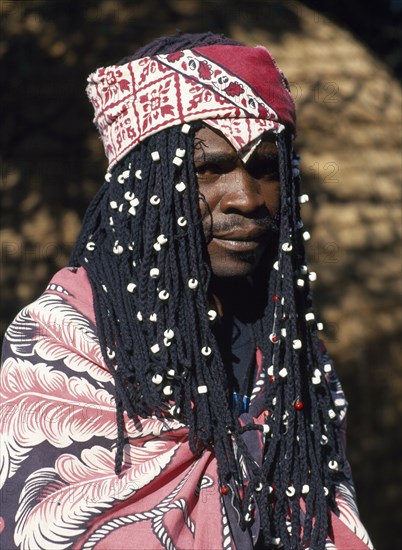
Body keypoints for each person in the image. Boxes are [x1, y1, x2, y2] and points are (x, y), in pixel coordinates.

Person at [0, 32, 373, 550]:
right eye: (209, 169)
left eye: (265, 169)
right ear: (145, 186)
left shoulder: (292, 351)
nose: (246, 197)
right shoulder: (62, 341)